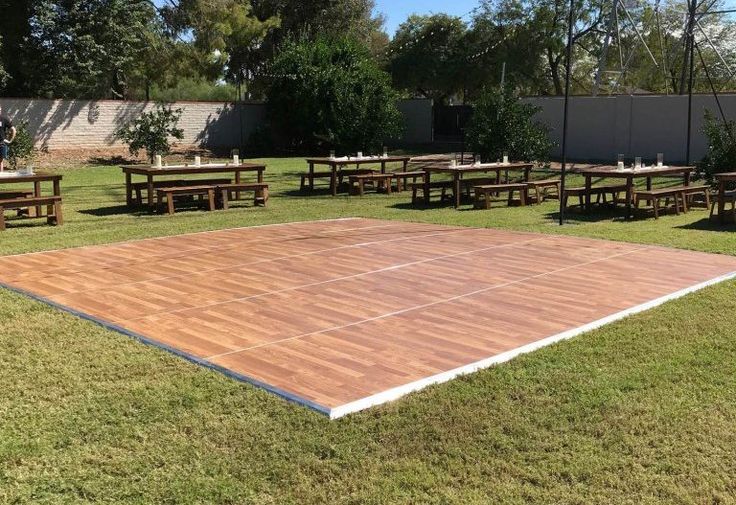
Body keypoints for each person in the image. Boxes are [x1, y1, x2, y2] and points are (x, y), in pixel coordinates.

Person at [0, 105, 17, 171]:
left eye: (0, 110)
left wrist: (10, 141)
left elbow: (13, 130)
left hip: (1, 144)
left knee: (0, 161)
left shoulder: (4, 119)